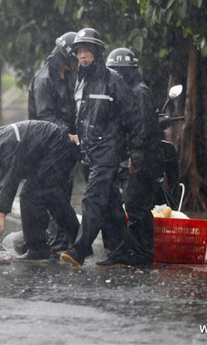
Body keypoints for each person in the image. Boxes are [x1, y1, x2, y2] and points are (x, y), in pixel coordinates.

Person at [60, 28, 145, 268]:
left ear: (96, 52)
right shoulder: (80, 81)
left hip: (108, 151)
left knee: (92, 200)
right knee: (109, 202)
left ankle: (80, 249)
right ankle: (119, 252)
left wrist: (136, 150)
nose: (83, 55)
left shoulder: (112, 80)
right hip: (88, 152)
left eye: (87, 50)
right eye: (79, 51)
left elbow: (133, 116)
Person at [0, 120, 80, 260]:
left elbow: (10, 179)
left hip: (59, 148)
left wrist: (1, 215)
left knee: (30, 196)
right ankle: (80, 242)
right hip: (52, 151)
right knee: (52, 198)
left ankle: (38, 250)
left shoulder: (5, 144)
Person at [106, 48, 163, 266]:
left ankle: (143, 255)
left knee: (137, 207)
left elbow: (143, 129)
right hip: (136, 159)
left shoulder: (139, 93)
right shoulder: (129, 91)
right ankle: (135, 252)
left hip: (143, 161)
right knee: (133, 205)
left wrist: (135, 155)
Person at [28, 31, 78, 255]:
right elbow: (45, 116)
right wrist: (69, 133)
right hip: (49, 145)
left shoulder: (65, 75)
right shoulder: (44, 79)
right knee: (54, 195)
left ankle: (62, 241)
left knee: (64, 193)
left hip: (65, 146)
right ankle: (57, 245)